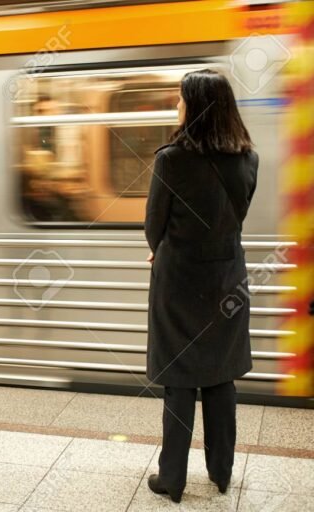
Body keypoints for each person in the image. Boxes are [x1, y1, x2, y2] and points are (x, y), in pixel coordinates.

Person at [144, 70, 257, 502]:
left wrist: (163, 248)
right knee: (220, 377)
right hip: (228, 281)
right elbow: (235, 221)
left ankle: (172, 479)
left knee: (180, 380)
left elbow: (153, 226)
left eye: (180, 99)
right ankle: (222, 471)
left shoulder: (171, 159)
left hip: (179, 284)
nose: (177, 106)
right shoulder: (250, 159)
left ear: (195, 106)